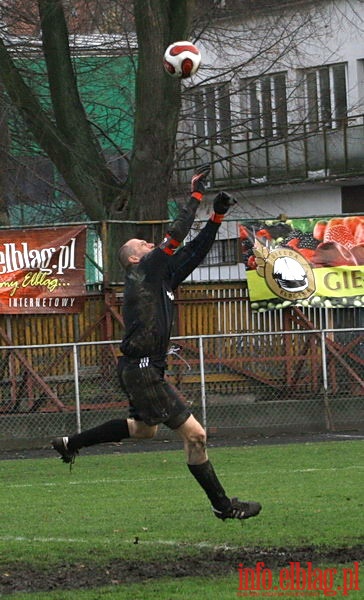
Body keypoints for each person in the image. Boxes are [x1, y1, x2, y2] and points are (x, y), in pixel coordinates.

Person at [52, 165, 262, 522]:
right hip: (144, 369)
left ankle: (71, 443)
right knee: (196, 435)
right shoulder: (142, 271)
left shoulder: (158, 276)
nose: (151, 246)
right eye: (144, 245)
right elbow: (177, 236)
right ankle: (223, 506)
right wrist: (195, 195)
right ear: (135, 258)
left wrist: (217, 216)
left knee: (142, 429)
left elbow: (193, 252)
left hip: (141, 368)